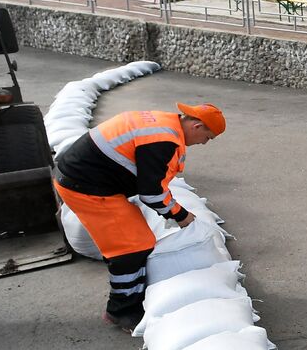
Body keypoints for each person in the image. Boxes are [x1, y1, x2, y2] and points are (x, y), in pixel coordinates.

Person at [53, 103, 225, 331]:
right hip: (87, 187)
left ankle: (134, 297)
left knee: (141, 240)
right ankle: (121, 311)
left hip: (93, 180)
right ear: (197, 125)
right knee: (130, 248)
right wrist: (182, 216)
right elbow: (151, 193)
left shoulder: (164, 124)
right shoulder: (163, 140)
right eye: (207, 137)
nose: (204, 143)